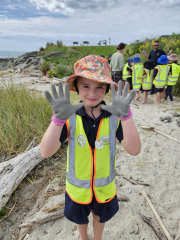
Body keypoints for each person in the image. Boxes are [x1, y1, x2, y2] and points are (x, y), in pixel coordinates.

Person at [40, 55, 141, 240]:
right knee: (81, 218)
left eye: (99, 87)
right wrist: (57, 119)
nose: (92, 93)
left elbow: (134, 150)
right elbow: (45, 152)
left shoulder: (114, 117)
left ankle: (97, 238)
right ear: (76, 87)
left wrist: (126, 116)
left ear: (107, 89)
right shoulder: (68, 117)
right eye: (86, 86)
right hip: (78, 188)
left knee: (99, 216)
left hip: (104, 187)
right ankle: (83, 237)